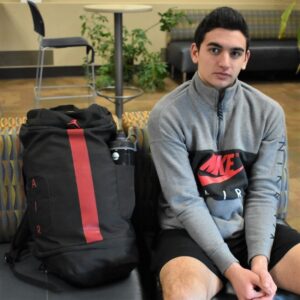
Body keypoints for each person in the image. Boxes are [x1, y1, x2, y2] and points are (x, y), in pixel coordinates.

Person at [147, 6, 300, 300]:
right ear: (195, 52)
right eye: (214, 49)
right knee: (182, 294)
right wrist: (232, 269)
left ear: (246, 59)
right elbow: (185, 202)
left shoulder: (268, 113)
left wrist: (259, 262)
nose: (224, 62)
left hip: (254, 231)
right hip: (188, 235)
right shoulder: (167, 115)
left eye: (234, 53)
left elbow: (264, 193)